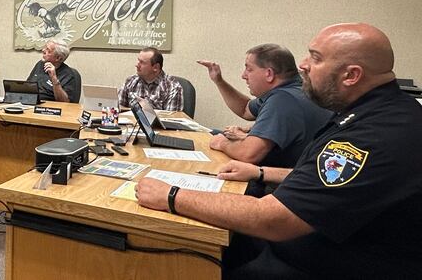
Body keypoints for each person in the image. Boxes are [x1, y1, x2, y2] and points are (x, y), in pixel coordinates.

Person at [136, 23, 422, 279]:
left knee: (177, 251)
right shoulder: (371, 112)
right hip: (310, 243)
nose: (303, 65)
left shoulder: (374, 134)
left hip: (320, 262)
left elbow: (275, 220)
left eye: (316, 57)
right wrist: (261, 172)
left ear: (351, 75)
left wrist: (172, 195)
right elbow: (325, 177)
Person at [197, 44, 331, 168]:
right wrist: (219, 81)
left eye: (249, 69)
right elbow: (245, 109)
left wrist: (221, 143)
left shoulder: (283, 100)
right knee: (212, 133)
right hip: (295, 172)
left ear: (269, 74)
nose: (244, 76)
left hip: (281, 183)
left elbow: (248, 154)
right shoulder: (293, 88)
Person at [118, 47, 183, 111]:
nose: (137, 65)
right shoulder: (130, 81)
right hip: (130, 121)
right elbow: (117, 107)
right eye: (138, 60)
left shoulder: (172, 87)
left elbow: (171, 118)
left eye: (142, 62)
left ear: (155, 67)